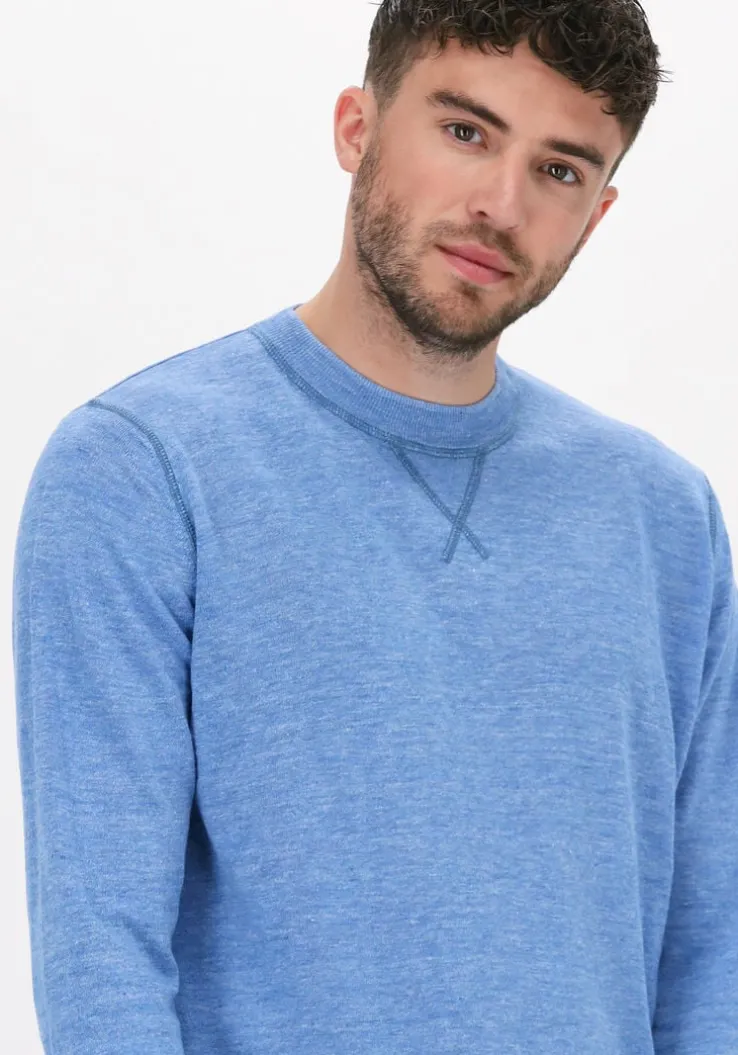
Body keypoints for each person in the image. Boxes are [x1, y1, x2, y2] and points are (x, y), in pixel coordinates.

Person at [12, 1, 738, 1053]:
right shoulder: (140, 469)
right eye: (466, 130)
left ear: (598, 214)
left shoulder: (664, 516)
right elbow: (102, 960)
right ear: (356, 127)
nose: (501, 204)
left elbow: (713, 954)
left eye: (558, 169)